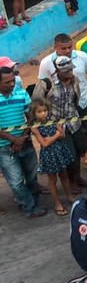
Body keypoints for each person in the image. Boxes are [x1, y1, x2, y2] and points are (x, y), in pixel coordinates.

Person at [38, 34, 87, 170]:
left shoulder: (82, 56)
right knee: (65, 137)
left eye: (69, 47)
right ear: (55, 47)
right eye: (63, 48)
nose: (67, 51)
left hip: (82, 102)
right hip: (59, 110)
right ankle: (71, 171)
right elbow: (42, 86)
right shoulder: (46, 63)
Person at [33, 55, 86, 193]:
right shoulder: (47, 84)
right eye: (67, 71)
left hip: (74, 121)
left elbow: (76, 98)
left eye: (71, 69)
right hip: (57, 126)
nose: (70, 73)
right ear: (58, 71)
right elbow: (36, 103)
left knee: (80, 149)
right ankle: (71, 183)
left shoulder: (75, 80)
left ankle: (78, 178)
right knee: (70, 155)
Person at [0, 66, 45, 217]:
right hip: (4, 147)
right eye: (7, 82)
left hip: (25, 142)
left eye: (13, 80)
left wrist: (22, 137)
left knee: (32, 176)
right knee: (16, 181)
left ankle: (32, 203)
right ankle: (28, 205)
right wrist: (14, 139)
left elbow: (30, 116)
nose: (12, 84)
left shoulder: (21, 93)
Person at [29, 98, 76, 216]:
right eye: (39, 112)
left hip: (60, 151)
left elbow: (63, 134)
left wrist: (51, 138)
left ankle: (70, 196)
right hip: (49, 154)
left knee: (64, 175)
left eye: (45, 110)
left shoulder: (53, 120)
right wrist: (55, 135)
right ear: (34, 113)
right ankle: (57, 203)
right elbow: (44, 143)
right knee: (52, 179)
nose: (43, 113)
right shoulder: (34, 127)